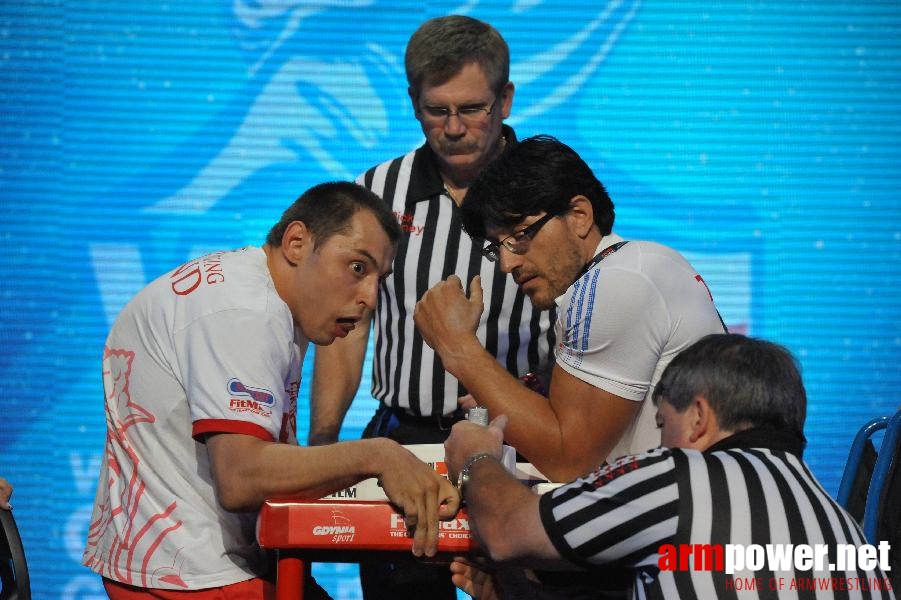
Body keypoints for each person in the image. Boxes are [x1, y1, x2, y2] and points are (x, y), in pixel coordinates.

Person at [82, 182, 460, 599]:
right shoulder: (246, 312)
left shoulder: (253, 291)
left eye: (378, 278)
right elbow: (241, 478)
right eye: (357, 267)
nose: (370, 297)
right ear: (297, 243)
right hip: (196, 578)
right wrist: (378, 454)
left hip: (182, 563)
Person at [310, 16, 556, 600]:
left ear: (505, 99)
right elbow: (350, 323)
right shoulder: (377, 191)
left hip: (526, 443)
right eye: (435, 111)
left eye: (471, 109)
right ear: (413, 102)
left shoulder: (549, 190)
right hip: (407, 440)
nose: (453, 128)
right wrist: (322, 445)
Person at [445, 334, 896, 599]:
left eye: (663, 423)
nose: (660, 441)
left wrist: (476, 456)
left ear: (698, 418)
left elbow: (505, 529)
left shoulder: (676, 480)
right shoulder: (846, 529)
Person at [414, 135, 727, 482]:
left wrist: (458, 347)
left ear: (579, 215)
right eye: (497, 247)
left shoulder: (615, 281)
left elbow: (567, 460)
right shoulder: (635, 265)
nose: (506, 263)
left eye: (520, 236)